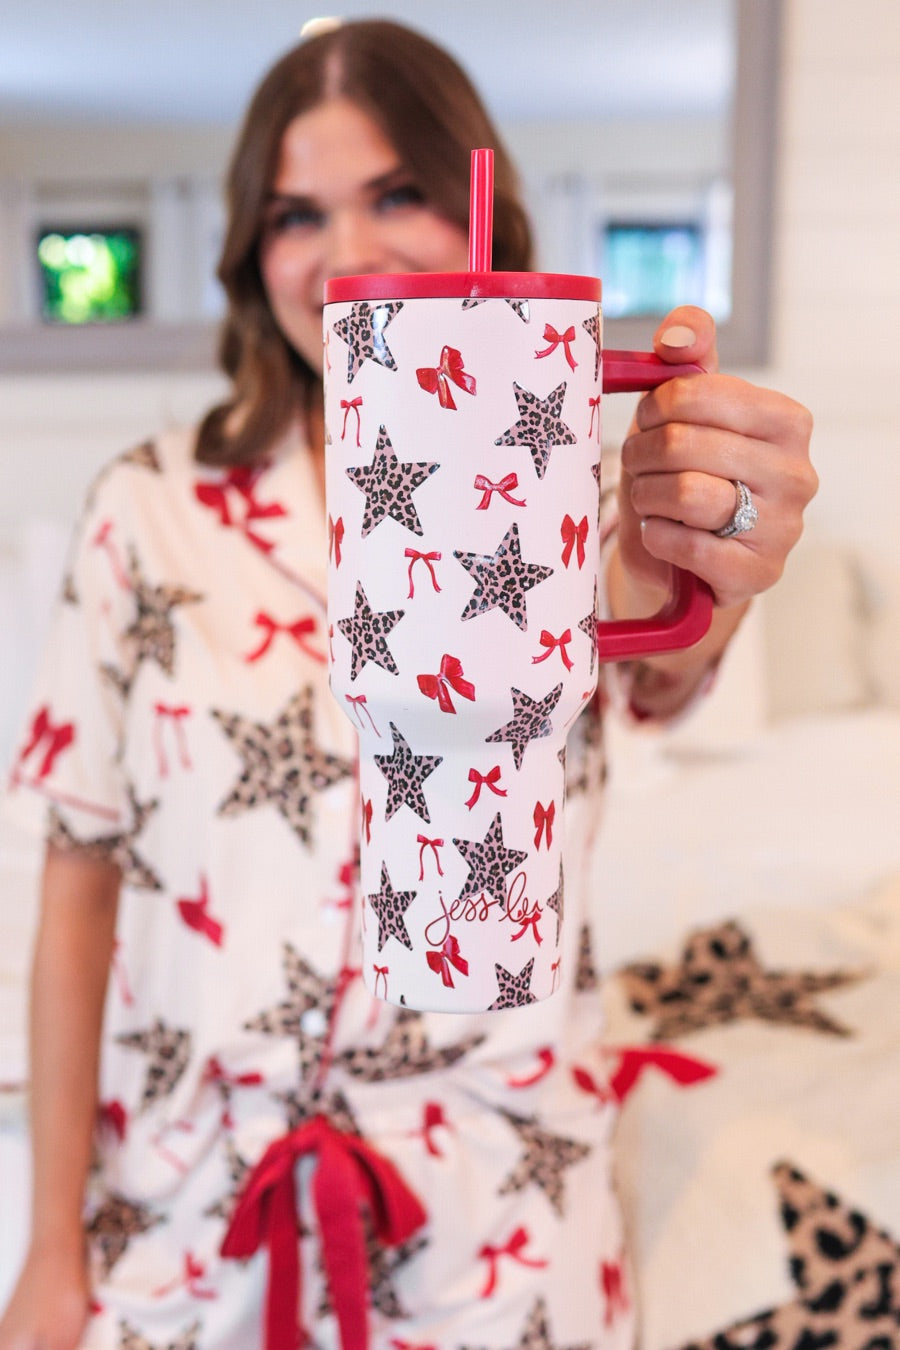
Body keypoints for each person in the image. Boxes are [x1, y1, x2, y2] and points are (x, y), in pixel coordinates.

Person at [0, 18, 816, 1350]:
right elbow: (78, 870)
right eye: (295, 215)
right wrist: (48, 1244)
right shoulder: (142, 513)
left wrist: (708, 553)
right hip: (191, 1193)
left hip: (499, 1198)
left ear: (476, 201)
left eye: (398, 194)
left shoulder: (564, 484)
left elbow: (658, 653)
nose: (349, 254)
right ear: (249, 256)